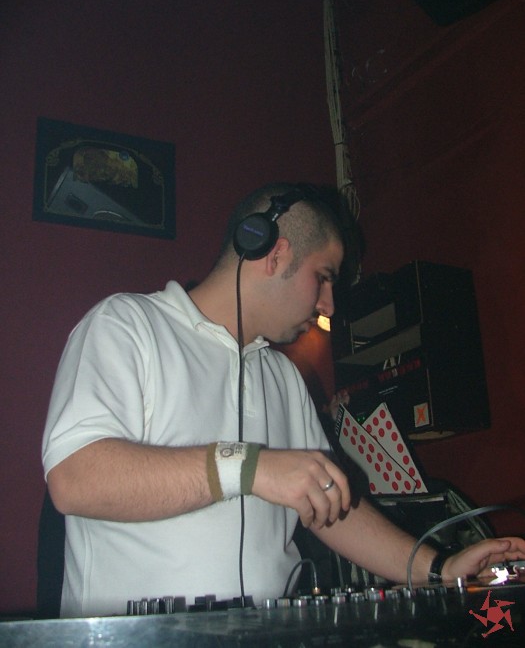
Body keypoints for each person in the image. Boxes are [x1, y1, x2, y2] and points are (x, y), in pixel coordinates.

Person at [42, 182, 525, 618]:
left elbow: (330, 505)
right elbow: (75, 478)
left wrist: (439, 568)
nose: (329, 305)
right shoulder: (127, 325)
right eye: (324, 277)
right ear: (274, 255)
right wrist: (249, 467)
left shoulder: (284, 377)